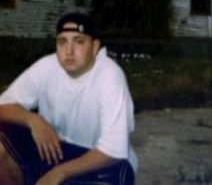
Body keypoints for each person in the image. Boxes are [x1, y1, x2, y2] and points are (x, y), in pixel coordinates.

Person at [0, 12, 137, 185]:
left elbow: (113, 151)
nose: (69, 50)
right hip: (54, 152)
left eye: (79, 41)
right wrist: (33, 119)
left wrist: (59, 173)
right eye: (62, 41)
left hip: (99, 162)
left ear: (95, 47)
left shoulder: (110, 76)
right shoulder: (47, 66)